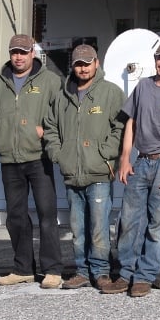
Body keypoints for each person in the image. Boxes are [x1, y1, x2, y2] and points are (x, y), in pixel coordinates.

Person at [101, 39, 160, 297]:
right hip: (141, 161)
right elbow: (131, 123)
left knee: (159, 224)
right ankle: (125, 275)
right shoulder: (143, 86)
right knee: (129, 220)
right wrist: (125, 158)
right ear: (155, 59)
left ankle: (144, 277)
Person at [0, 34, 64, 288]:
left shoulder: (50, 81)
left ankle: (52, 270)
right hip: (9, 160)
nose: (19, 57)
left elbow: (62, 115)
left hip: (39, 158)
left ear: (32, 54)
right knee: (15, 217)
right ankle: (23, 268)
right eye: (15, 52)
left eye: (23, 52)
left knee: (47, 215)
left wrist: (46, 132)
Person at [43, 44, 125, 290]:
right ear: (73, 66)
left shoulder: (111, 92)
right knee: (78, 228)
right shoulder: (62, 96)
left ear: (96, 63)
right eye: (79, 64)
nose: (83, 68)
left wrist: (105, 153)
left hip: (99, 173)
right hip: (72, 174)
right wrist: (59, 155)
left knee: (99, 227)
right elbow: (50, 128)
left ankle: (101, 272)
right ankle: (82, 270)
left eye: (87, 63)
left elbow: (121, 127)